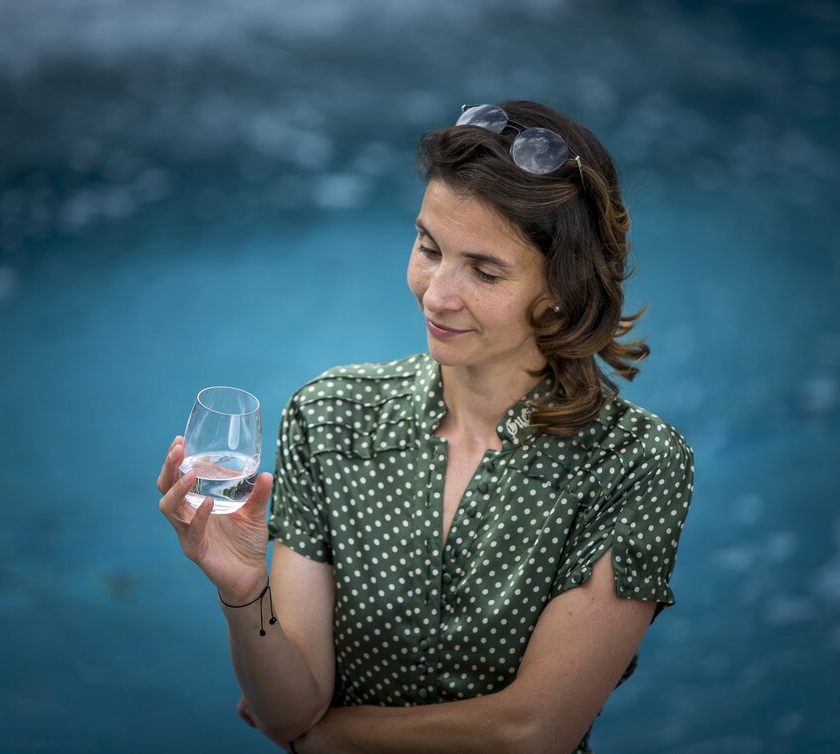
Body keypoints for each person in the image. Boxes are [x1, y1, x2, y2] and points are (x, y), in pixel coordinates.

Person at [157, 99, 695, 754]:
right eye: (428, 247)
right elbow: (289, 710)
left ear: (563, 287)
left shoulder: (636, 461)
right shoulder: (330, 414)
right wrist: (243, 589)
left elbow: (532, 731)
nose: (436, 293)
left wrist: (330, 743)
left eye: (484, 269)